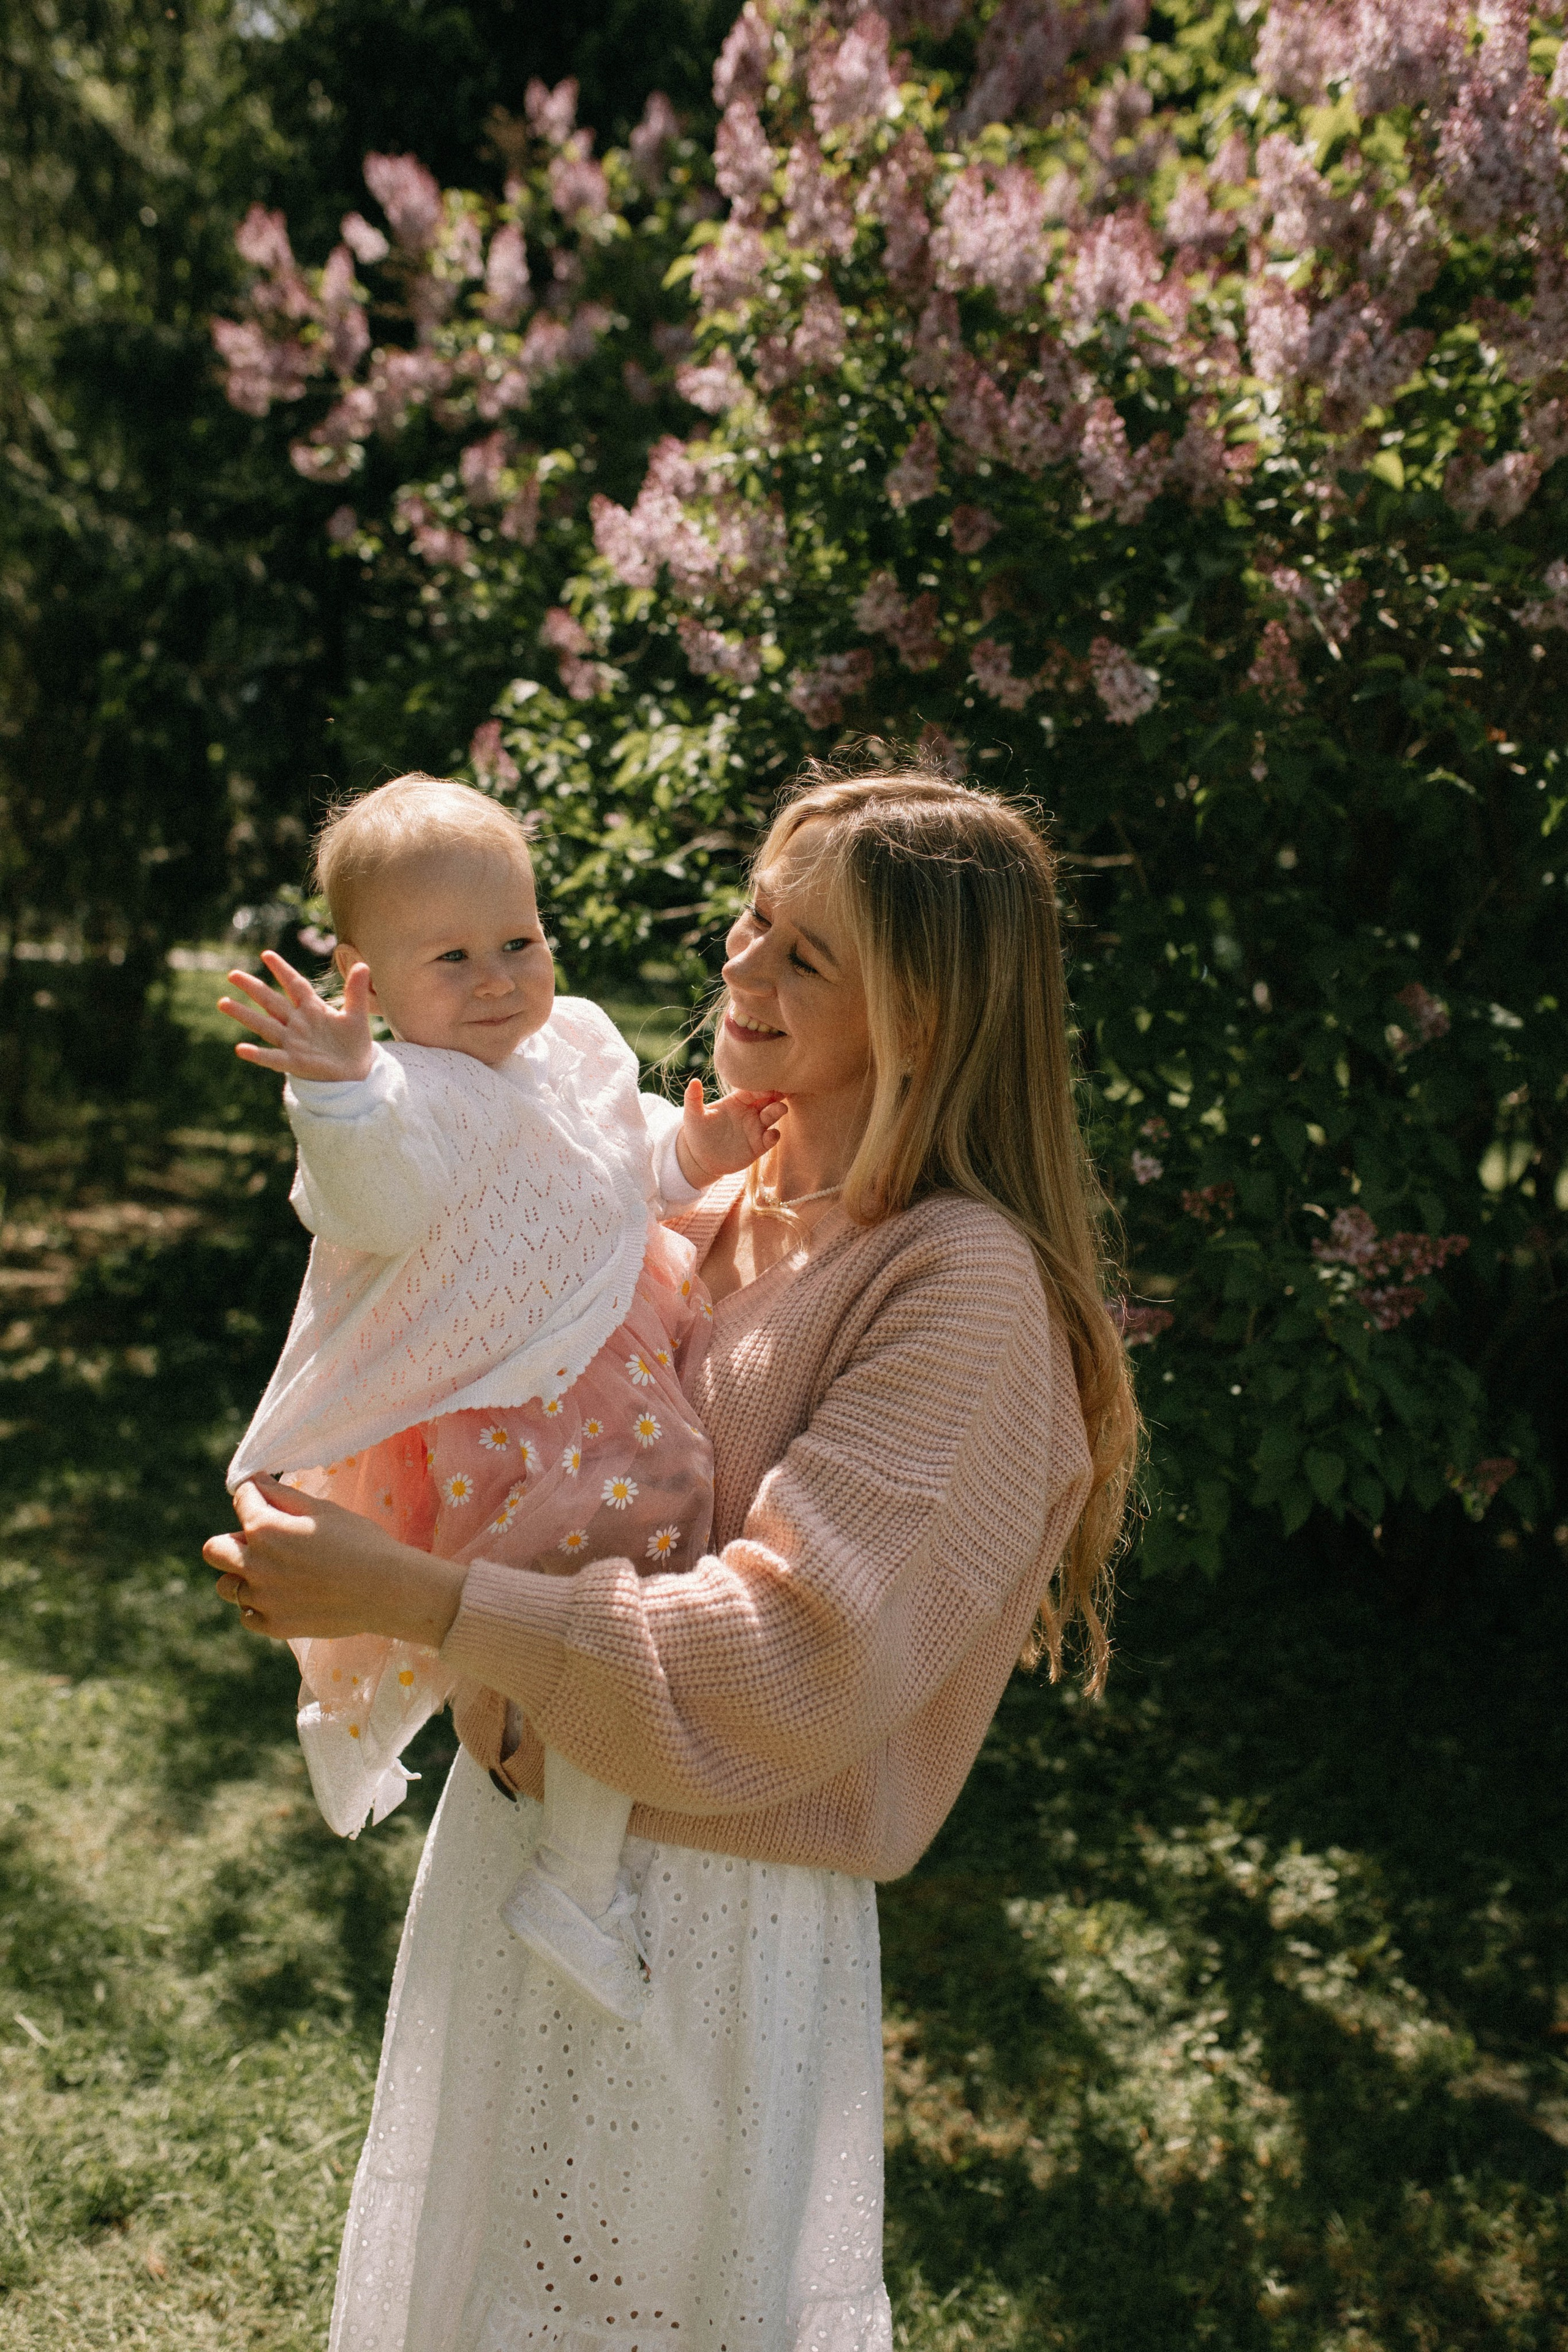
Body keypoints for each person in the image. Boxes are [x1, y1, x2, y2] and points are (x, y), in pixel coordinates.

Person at [206, 755, 1140, 2352]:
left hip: (710, 1915)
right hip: (524, 1835)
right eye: (752, 919)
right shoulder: (713, 1195)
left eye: (805, 954)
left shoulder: (959, 1283)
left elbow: (795, 1658)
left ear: (922, 1016)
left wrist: (420, 1599)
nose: (740, 963)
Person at [218, 772, 778, 2021]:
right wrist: (337, 1092)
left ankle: (579, 1843)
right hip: (514, 1406)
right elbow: (374, 1200)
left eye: (518, 941)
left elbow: (612, 1155)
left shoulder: (568, 1043)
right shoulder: (403, 1096)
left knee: (635, 1574)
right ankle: (574, 1874)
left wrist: (692, 1152)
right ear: (366, 981)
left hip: (616, 1368)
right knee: (570, 1580)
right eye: (451, 958)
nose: (496, 980)